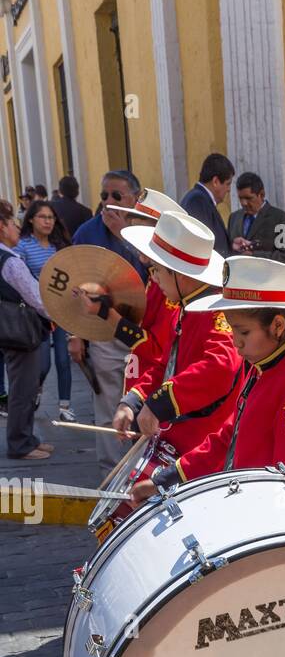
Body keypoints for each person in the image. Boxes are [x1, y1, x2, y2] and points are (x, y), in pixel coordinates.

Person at [130, 258, 285, 495]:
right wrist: (166, 479)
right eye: (233, 330)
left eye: (244, 332)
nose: (235, 342)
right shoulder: (267, 359)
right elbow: (230, 435)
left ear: (278, 326)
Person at [111, 211, 242, 459]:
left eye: (157, 270)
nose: (154, 277)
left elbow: (220, 366)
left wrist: (159, 403)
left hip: (204, 448)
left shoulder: (216, 311)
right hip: (181, 439)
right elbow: (164, 365)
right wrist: (132, 402)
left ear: (179, 274)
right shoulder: (187, 306)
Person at [69, 169, 148, 463]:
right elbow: (74, 286)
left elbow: (151, 275)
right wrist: (76, 334)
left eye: (117, 195)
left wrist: (122, 235)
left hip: (145, 331)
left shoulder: (146, 229)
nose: (108, 202)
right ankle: (110, 478)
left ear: (135, 198)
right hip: (105, 332)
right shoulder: (87, 232)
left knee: (144, 407)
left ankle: (142, 472)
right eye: (104, 196)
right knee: (107, 410)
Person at [0, 199, 52, 461]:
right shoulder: (10, 261)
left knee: (26, 386)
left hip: (10, 331)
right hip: (21, 332)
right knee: (23, 390)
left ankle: (28, 438)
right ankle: (20, 444)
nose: (17, 228)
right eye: (12, 223)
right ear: (1, 227)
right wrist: (60, 315)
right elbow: (36, 297)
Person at [18, 199, 74, 422]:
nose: (48, 221)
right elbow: (18, 277)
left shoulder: (58, 245)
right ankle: (38, 388)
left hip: (61, 310)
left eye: (51, 217)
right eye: (43, 217)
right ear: (31, 219)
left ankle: (65, 406)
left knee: (63, 359)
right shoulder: (22, 245)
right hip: (36, 315)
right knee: (43, 364)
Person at [227, 173, 285, 265]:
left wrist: (254, 255)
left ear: (262, 194)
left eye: (248, 198)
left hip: (267, 277)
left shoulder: (279, 219)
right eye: (241, 198)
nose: (244, 203)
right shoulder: (234, 217)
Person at [181, 153, 234, 257]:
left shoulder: (201, 199)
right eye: (227, 184)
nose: (229, 189)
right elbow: (203, 246)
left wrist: (232, 245)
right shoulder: (197, 201)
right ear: (215, 182)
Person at [50, 174, 93, 239]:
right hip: (78, 247)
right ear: (77, 191)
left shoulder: (50, 207)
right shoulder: (86, 212)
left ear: (60, 191)